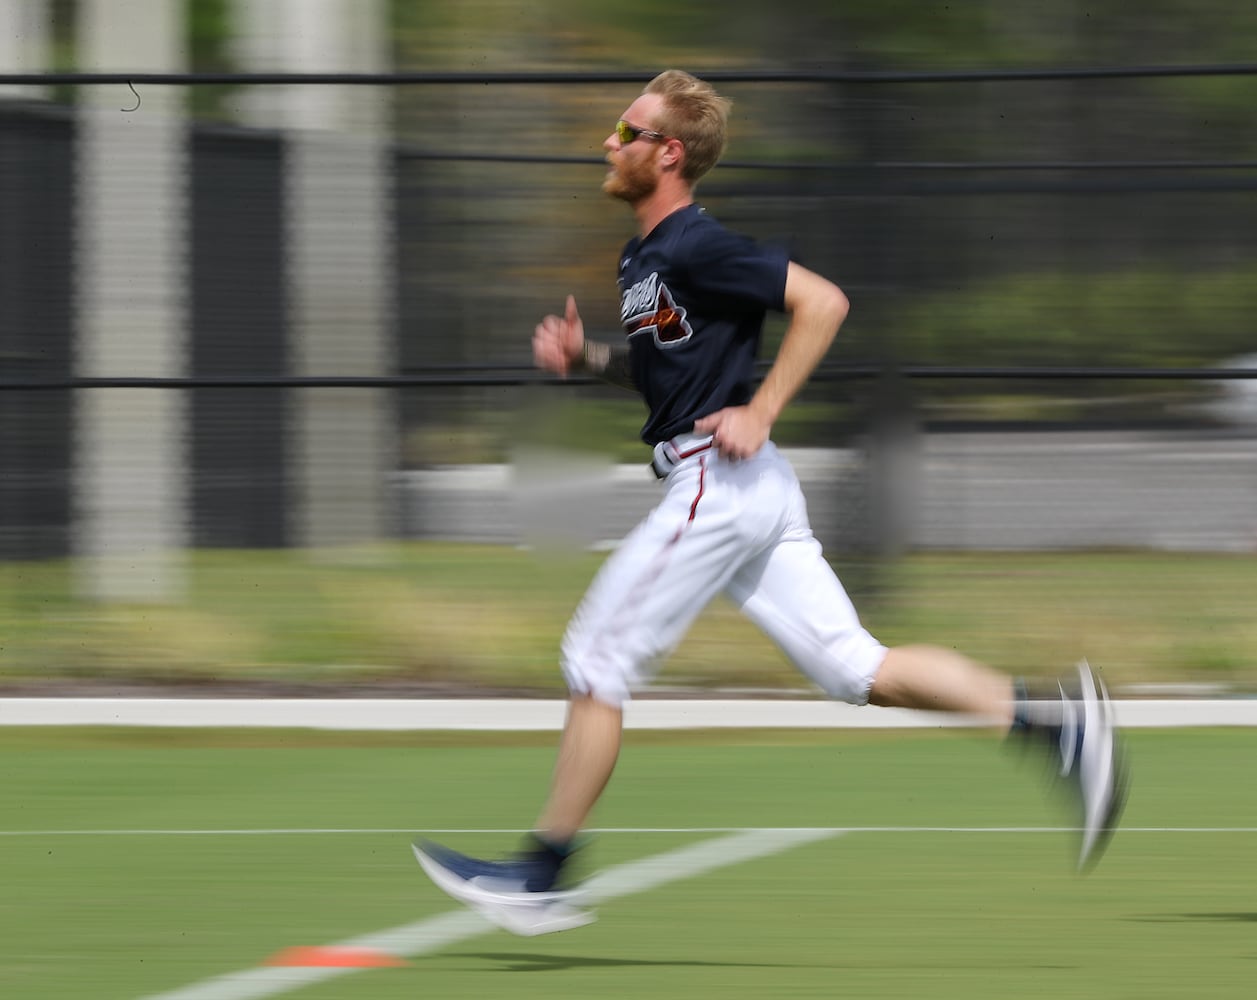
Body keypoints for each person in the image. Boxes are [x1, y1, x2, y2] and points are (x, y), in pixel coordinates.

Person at [414, 69, 1126, 936]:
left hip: (719, 481)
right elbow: (665, 376)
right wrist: (590, 361)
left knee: (596, 660)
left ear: (668, 154)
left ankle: (541, 875)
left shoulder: (694, 245)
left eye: (625, 130)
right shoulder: (643, 258)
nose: (608, 141)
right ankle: (1055, 731)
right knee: (855, 669)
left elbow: (822, 302)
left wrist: (763, 407)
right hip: (743, 489)